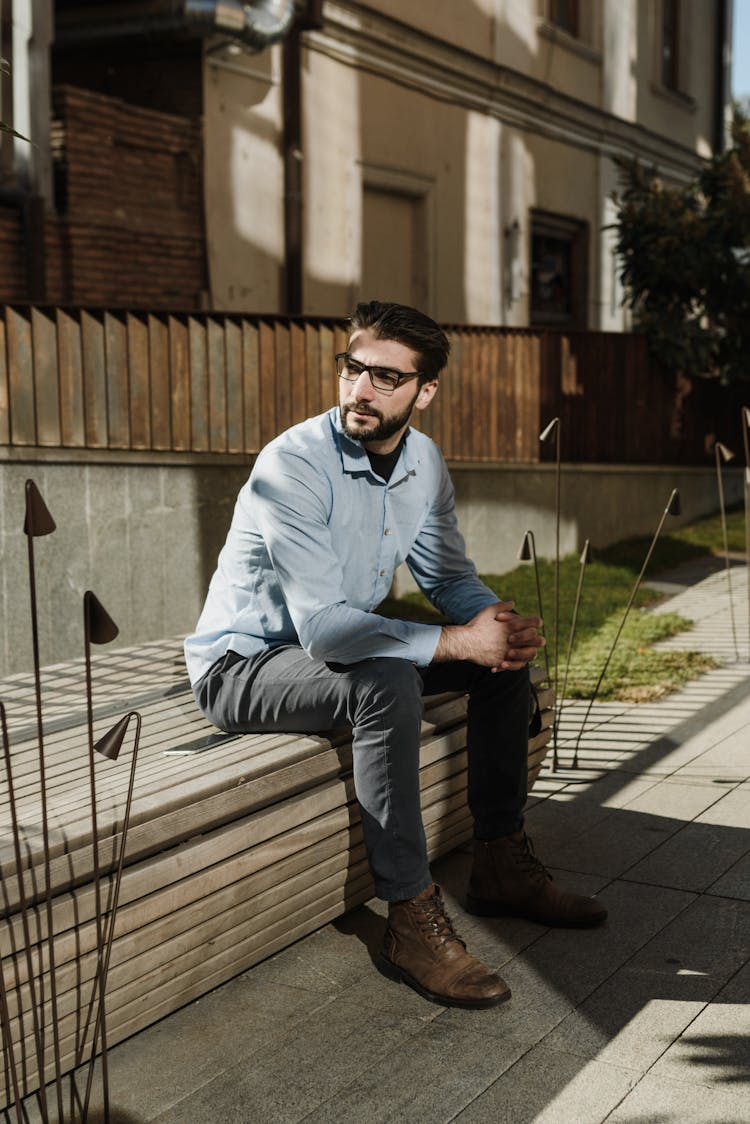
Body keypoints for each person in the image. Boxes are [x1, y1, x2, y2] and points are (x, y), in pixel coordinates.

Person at [184, 300, 606, 1011]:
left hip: (337, 655)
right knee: (386, 680)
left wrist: (491, 622)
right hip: (246, 668)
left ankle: (501, 860)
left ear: (424, 391)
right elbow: (322, 630)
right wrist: (457, 638)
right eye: (352, 369)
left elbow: (445, 575)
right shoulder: (293, 464)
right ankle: (410, 914)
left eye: (385, 376)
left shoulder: (423, 463)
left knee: (495, 663)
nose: (360, 390)